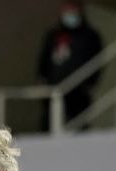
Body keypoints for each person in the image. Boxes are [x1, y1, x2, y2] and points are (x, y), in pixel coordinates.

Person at [37, 2, 104, 131]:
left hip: (80, 89)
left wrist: (91, 82)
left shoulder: (90, 36)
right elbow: (44, 58)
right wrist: (42, 77)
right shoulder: (53, 35)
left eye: (73, 10)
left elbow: (97, 60)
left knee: (80, 124)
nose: (70, 14)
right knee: (49, 122)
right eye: (67, 10)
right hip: (55, 87)